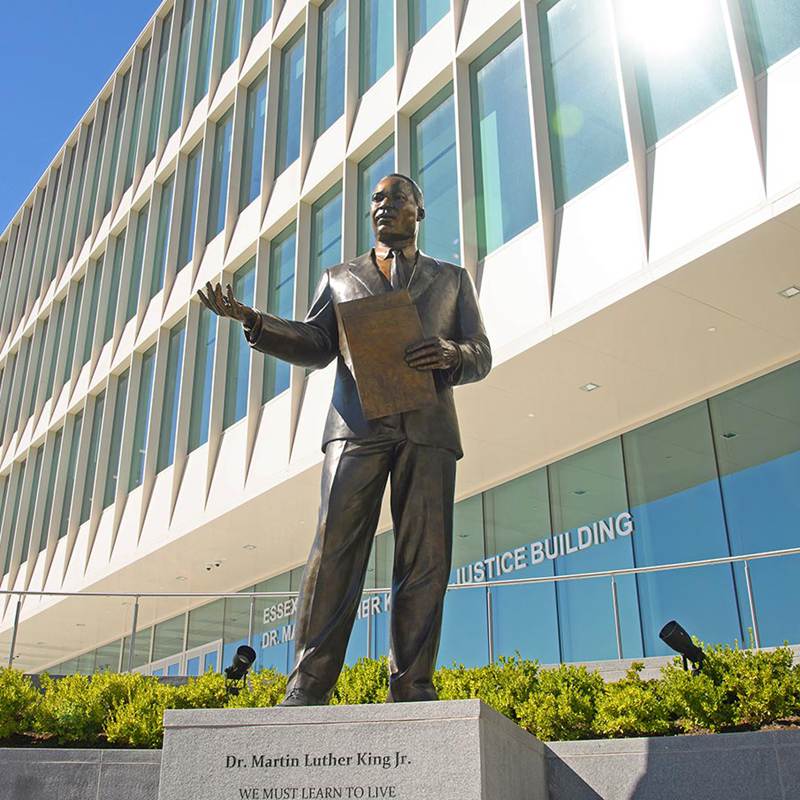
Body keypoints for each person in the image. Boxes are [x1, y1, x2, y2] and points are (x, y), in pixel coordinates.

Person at [197, 174, 491, 705]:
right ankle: (307, 685)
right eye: (376, 199)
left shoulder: (451, 279)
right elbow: (316, 343)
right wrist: (255, 321)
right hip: (356, 426)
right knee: (333, 550)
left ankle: (413, 683)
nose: (383, 206)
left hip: (428, 427)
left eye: (396, 198)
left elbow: (481, 352)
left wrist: (453, 354)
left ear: (418, 210)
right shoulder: (341, 277)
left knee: (424, 558)